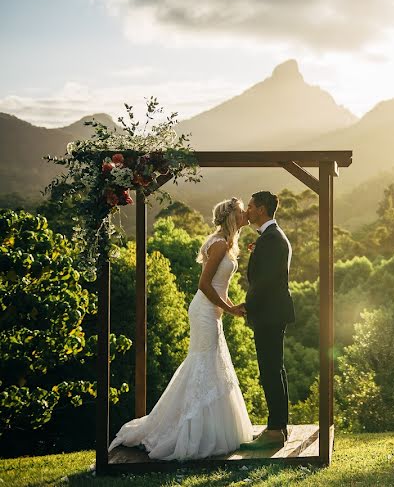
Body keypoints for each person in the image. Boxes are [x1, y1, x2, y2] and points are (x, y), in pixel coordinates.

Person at [108, 197, 253, 460]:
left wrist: (231, 307)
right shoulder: (219, 244)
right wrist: (230, 309)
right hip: (204, 311)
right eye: (243, 212)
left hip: (212, 310)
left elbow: (221, 288)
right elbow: (205, 285)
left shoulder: (226, 243)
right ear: (233, 217)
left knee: (210, 364)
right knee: (204, 365)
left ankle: (205, 429)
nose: (246, 216)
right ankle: (185, 431)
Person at [237, 190, 296, 449]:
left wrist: (248, 305)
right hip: (273, 313)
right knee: (276, 369)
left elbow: (265, 282)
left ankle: (274, 430)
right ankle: (279, 426)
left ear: (261, 209)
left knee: (270, 371)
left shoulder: (271, 239)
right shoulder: (271, 237)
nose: (247, 211)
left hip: (269, 314)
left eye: (250, 207)